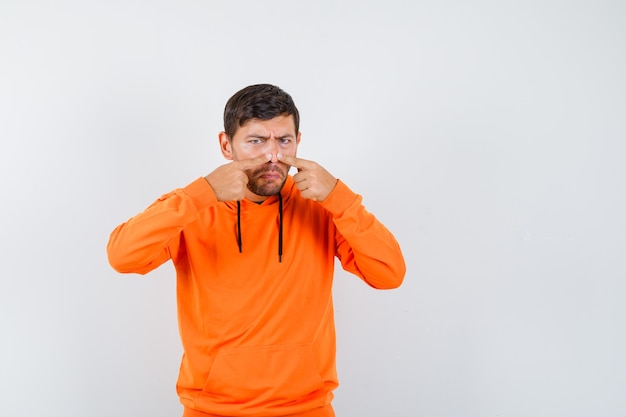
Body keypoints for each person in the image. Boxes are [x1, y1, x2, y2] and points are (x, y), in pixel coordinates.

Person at [107, 83, 406, 417]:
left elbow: (390, 273)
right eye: (256, 141)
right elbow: (122, 256)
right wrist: (199, 195)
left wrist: (339, 196)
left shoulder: (323, 206)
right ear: (226, 144)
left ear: (298, 141)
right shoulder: (193, 207)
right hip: (212, 410)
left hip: (307, 409)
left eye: (284, 140)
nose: (273, 156)